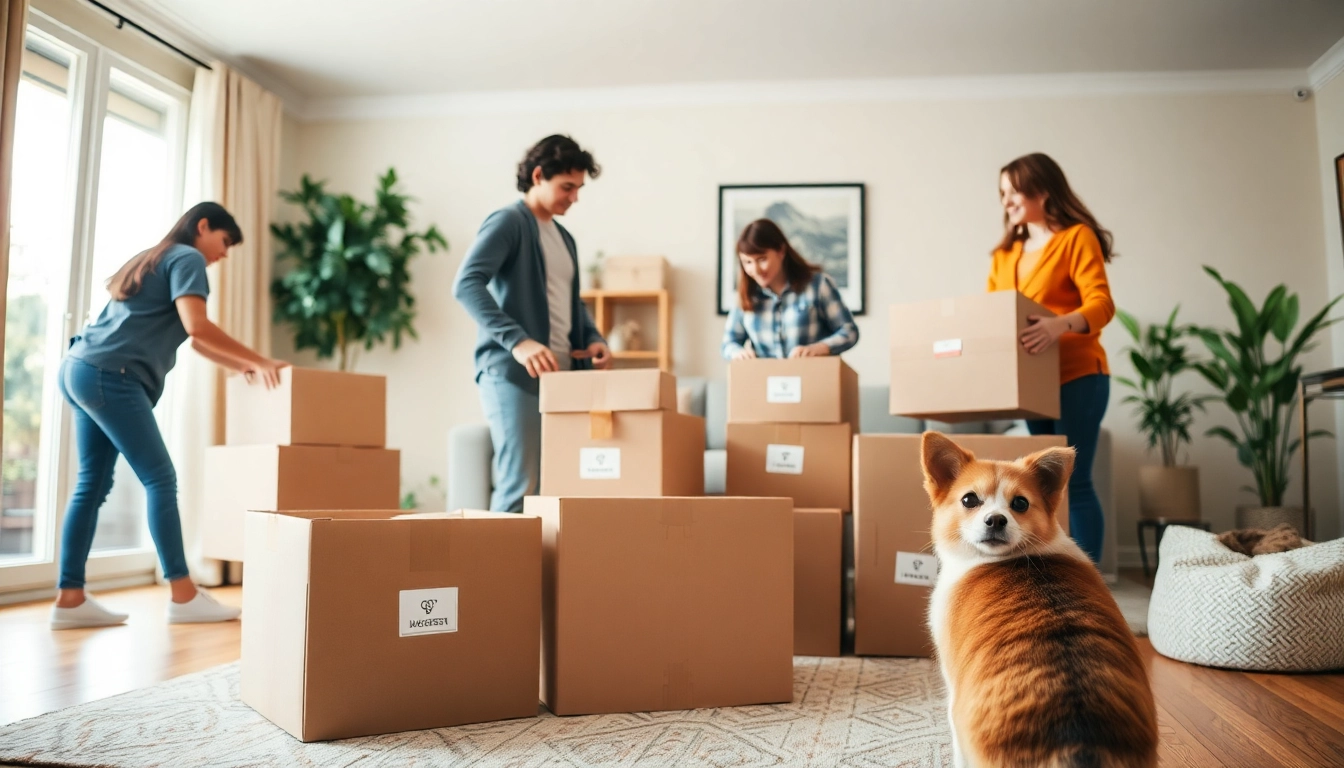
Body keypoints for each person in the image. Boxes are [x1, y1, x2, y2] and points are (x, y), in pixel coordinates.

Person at [52, 202, 290, 630]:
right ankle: (183, 595)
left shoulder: (153, 257)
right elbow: (198, 327)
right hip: (112, 375)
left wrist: (243, 367)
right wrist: (262, 359)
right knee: (160, 479)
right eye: (223, 242)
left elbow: (194, 340)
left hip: (80, 367)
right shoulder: (187, 257)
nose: (224, 254)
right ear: (203, 227)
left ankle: (70, 599)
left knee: (92, 484)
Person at [452, 135, 611, 513]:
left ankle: (538, 571)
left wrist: (593, 338)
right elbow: (466, 284)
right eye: (567, 187)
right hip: (512, 374)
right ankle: (494, 573)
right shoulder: (509, 222)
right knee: (520, 483)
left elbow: (571, 303)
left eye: (579, 189)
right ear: (538, 176)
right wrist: (518, 342)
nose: (574, 198)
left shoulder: (565, 239)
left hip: (559, 377)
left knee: (555, 485)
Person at [988, 152, 1115, 565]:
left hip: (1079, 375)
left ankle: (1088, 583)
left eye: (1013, 191)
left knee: (1074, 485)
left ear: (1041, 190)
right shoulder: (1003, 256)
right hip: (1032, 385)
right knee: (1038, 491)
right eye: (1001, 193)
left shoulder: (1077, 238)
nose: (1006, 201)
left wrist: (1057, 325)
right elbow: (994, 318)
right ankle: (1049, 573)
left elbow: (1102, 304)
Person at [721, 218, 859, 360]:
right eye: (747, 262)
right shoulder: (746, 295)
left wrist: (819, 348)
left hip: (812, 378)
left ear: (781, 251)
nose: (755, 269)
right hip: (764, 380)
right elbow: (728, 343)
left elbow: (849, 332)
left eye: (762, 259)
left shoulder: (818, 285)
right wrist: (737, 353)